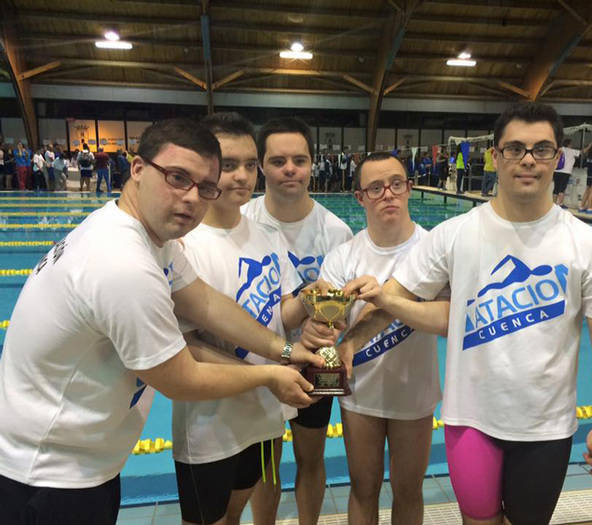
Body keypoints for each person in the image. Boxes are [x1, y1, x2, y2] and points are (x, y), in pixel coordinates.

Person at [0, 118, 325, 525]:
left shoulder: (144, 235)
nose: (191, 198)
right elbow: (179, 378)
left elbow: (205, 303)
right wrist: (269, 377)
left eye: (204, 186)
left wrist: (286, 349)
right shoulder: (123, 264)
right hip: (47, 474)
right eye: (177, 177)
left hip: (77, 458)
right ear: (138, 169)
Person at [338, 102, 592, 525]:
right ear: (495, 157)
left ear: (559, 157)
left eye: (541, 149)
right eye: (515, 148)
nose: (528, 159)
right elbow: (393, 296)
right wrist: (351, 340)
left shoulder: (589, 246)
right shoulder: (455, 234)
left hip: (546, 427)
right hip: (471, 421)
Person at [172, 113, 325, 525]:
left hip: (260, 414)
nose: (241, 176)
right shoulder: (184, 246)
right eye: (227, 165)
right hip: (210, 420)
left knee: (238, 510)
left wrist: (312, 299)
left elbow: (279, 313)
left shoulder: (265, 235)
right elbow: (186, 348)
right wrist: (265, 377)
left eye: (249, 165)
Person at [307, 152, 443, 525]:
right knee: (362, 489)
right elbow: (327, 333)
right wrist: (322, 322)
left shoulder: (435, 249)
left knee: (408, 491)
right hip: (360, 395)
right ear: (360, 197)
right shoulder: (343, 257)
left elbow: (449, 321)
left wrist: (388, 300)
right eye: (376, 187)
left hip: (414, 393)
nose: (388, 194)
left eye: (396, 184)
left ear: (409, 189)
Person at [243, 117, 353, 525]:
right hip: (260, 361)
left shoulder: (336, 231)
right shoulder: (244, 223)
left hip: (314, 363)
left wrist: (325, 332)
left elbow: (340, 310)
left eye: (299, 160)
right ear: (262, 167)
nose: (290, 169)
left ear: (312, 165)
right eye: (278, 161)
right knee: (264, 463)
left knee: (312, 457)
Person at [552, 138, 581, 207]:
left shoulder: (559, 149)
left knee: (556, 188)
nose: (572, 145)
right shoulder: (571, 151)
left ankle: (553, 204)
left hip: (556, 171)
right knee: (562, 188)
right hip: (565, 172)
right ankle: (560, 203)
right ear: (569, 144)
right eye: (571, 144)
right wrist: (589, 146)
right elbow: (581, 152)